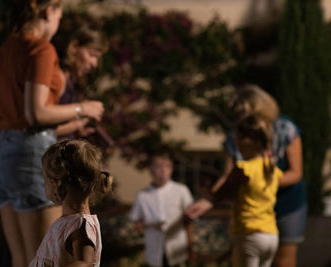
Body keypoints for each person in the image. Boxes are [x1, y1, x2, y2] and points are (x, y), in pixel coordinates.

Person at [0, 1, 104, 266]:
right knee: (52, 256)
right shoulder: (41, 48)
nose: (59, 21)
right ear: (49, 11)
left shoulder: (3, 51)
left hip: (0, 155)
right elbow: (36, 113)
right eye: (60, 14)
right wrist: (84, 108)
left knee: (23, 258)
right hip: (30, 154)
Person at [186, 85, 306, 267]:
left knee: (283, 261)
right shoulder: (236, 135)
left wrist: (258, 183)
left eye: (243, 113)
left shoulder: (286, 129)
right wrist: (210, 199)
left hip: (287, 203)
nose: (240, 119)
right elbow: (229, 175)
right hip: (256, 214)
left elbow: (296, 173)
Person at [188, 115, 283, 267]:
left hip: (249, 234)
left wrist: (208, 200)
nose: (236, 145)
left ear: (250, 141)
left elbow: (223, 191)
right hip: (271, 235)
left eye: (238, 140)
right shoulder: (273, 170)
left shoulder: (243, 169)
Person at [29, 139, 112, 267]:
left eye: (44, 178)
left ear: (55, 183)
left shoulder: (80, 225)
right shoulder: (70, 223)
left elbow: (85, 263)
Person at [129, 152, 194, 267]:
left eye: (167, 166)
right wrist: (147, 225)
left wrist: (190, 245)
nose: (163, 170)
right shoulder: (143, 195)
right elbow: (136, 223)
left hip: (177, 247)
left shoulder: (181, 190)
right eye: (159, 166)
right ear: (151, 170)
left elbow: (189, 220)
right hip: (154, 249)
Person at [53, 25, 107, 139]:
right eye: (92, 55)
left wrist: (77, 130)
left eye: (97, 58)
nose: (94, 63)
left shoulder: (71, 79)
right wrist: (82, 115)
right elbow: (43, 129)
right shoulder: (57, 77)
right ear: (74, 47)